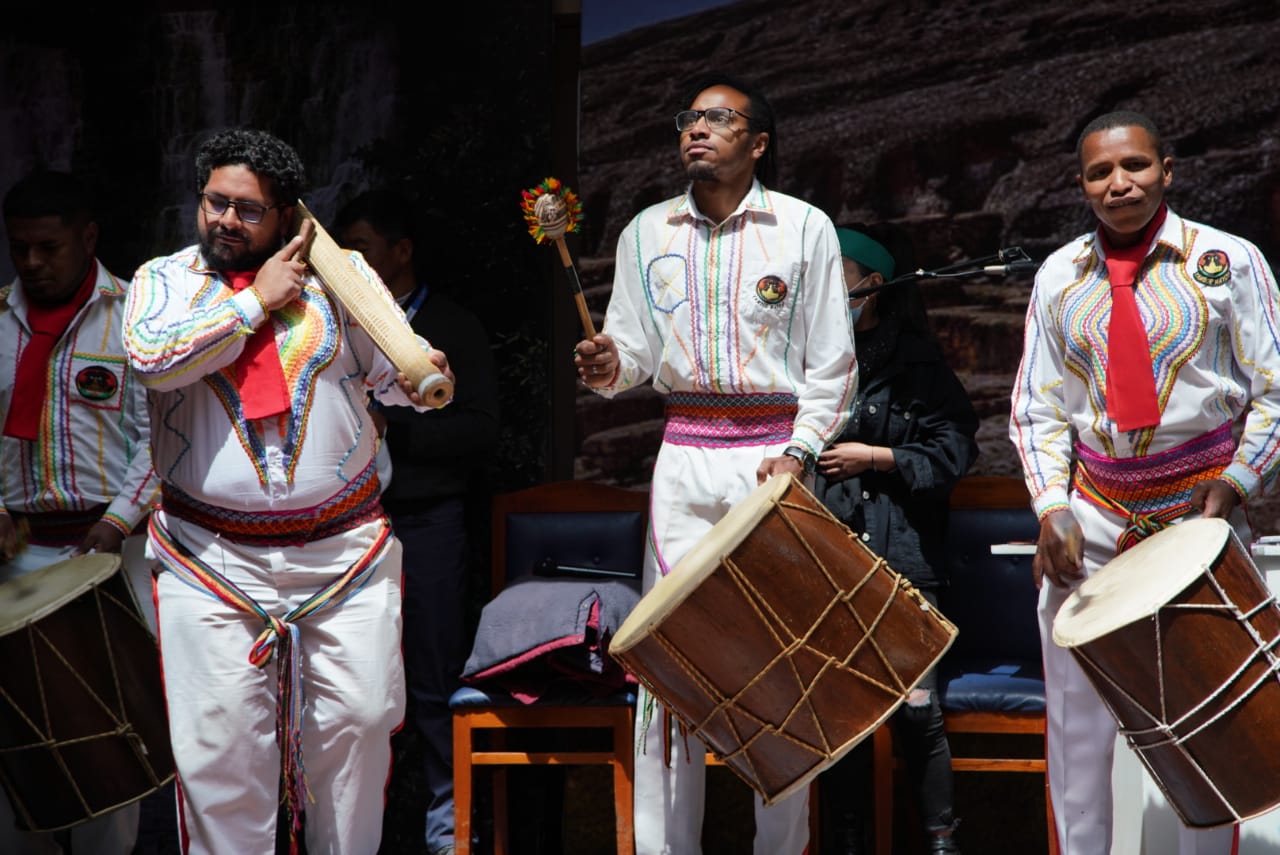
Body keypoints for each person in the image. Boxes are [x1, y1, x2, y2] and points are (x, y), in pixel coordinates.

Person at [122, 128, 451, 855]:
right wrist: (255, 304)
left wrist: (424, 373)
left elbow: (395, 376)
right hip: (208, 558)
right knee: (219, 755)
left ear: (287, 215)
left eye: (248, 210)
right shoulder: (163, 281)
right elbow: (152, 359)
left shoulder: (344, 277)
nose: (225, 221)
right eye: (215, 202)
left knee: (359, 726)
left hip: (344, 555)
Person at [573, 71, 858, 855]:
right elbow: (633, 353)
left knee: (782, 663)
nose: (696, 130)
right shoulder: (645, 231)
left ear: (758, 143)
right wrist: (609, 365)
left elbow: (833, 364)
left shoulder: (804, 228)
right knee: (668, 665)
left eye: (718, 119)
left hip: (774, 459)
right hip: (685, 455)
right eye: (688, 119)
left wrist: (800, 453)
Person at [1010, 109, 1280, 854]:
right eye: (1100, 172)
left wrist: (1237, 482)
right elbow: (1037, 408)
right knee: (1076, 727)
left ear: (1167, 170)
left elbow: (1275, 390)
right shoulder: (1059, 274)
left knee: (1209, 722)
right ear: (1081, 185)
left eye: (1134, 165)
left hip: (1200, 513)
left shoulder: (1227, 260)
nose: (1118, 183)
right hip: (1093, 513)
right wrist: (1051, 506)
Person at [334, 188, 500, 855]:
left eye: (361, 249)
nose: (349, 263)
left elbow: (480, 430)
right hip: (342, 531)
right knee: (346, 686)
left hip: (426, 523)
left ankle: (448, 834)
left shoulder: (451, 325)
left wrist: (391, 425)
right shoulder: (327, 325)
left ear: (401, 251)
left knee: (434, 679)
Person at [0, 169, 159, 854]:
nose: (33, 263)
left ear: (88, 237)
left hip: (114, 552)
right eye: (20, 249)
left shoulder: (138, 318)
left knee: (112, 740)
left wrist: (116, 521)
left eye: (49, 247)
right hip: (14, 554)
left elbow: (163, 439)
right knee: (14, 742)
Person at [815, 223, 977, 855]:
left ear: (873, 286)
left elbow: (953, 452)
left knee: (916, 708)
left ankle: (941, 843)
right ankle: (848, 843)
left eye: (836, 276)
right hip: (828, 562)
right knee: (841, 713)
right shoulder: (808, 360)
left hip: (905, 562)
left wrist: (877, 457)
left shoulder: (919, 364)